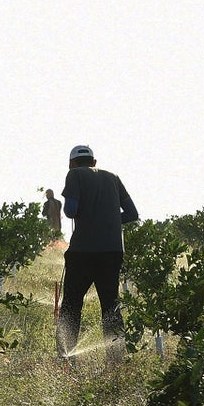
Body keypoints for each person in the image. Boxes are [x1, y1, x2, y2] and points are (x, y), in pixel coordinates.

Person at [56, 145, 139, 362]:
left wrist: (89, 216)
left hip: (83, 251)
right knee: (110, 306)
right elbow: (132, 214)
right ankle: (116, 359)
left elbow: (70, 210)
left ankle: (66, 359)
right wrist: (107, 219)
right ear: (94, 162)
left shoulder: (74, 174)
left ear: (71, 163)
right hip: (112, 252)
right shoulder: (113, 177)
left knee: (72, 304)